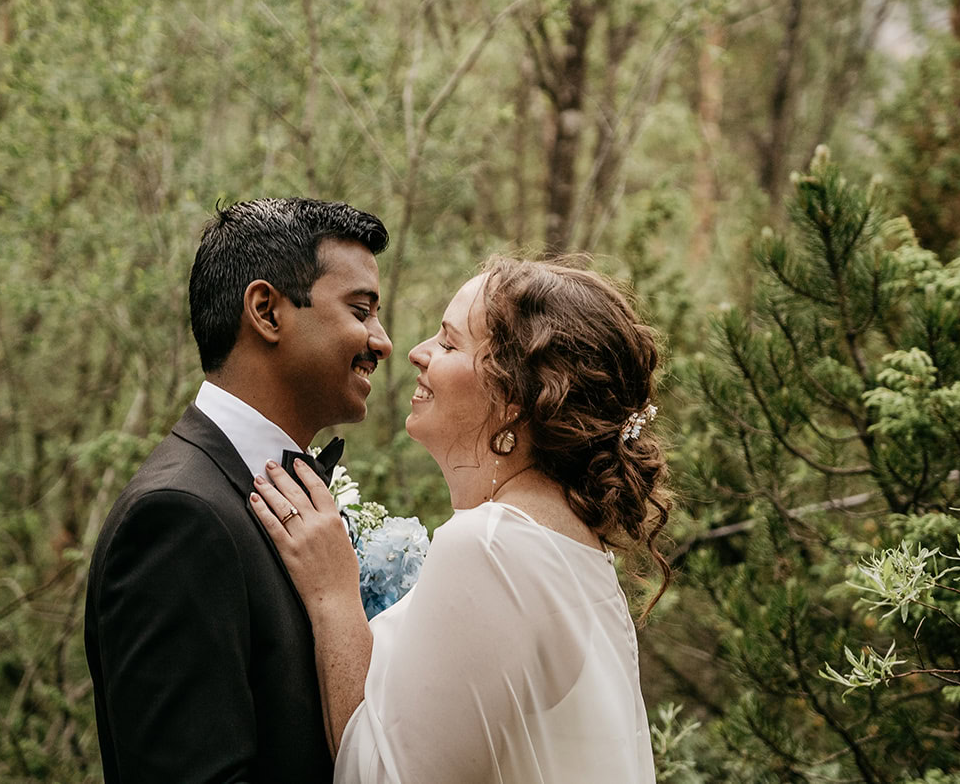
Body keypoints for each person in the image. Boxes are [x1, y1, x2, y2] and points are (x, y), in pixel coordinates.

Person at [249, 256, 672, 782]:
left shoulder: (490, 546)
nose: (417, 353)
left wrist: (334, 593)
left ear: (514, 397)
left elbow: (377, 776)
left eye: (449, 343)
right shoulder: (577, 546)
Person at [84, 198, 394, 783]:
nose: (381, 342)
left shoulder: (287, 501)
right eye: (361, 310)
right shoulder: (176, 517)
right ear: (267, 312)